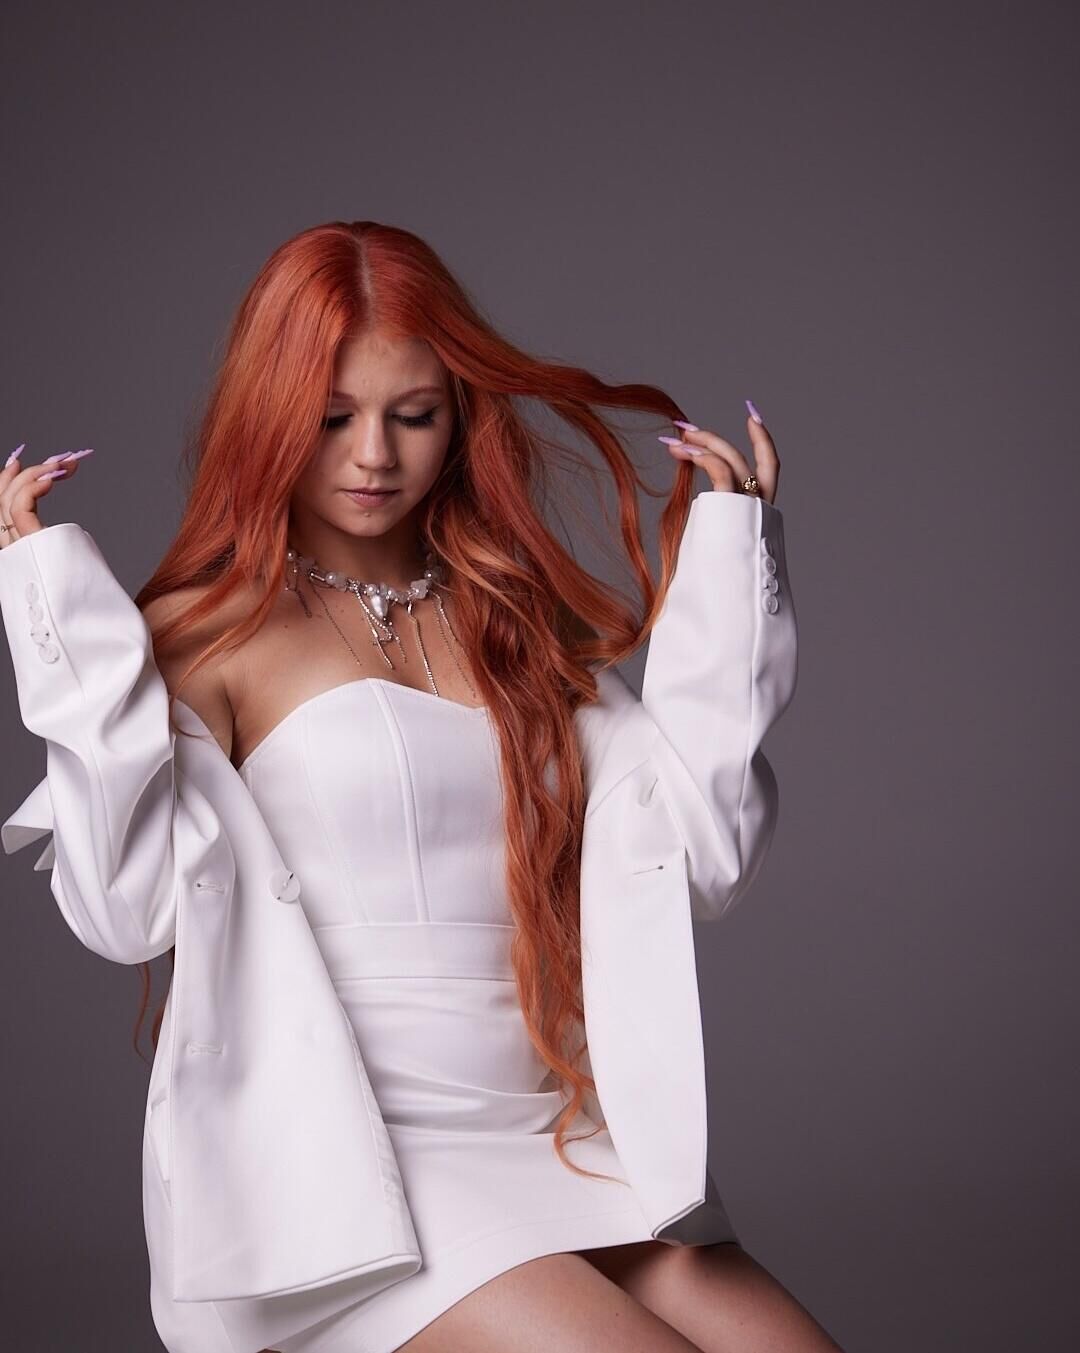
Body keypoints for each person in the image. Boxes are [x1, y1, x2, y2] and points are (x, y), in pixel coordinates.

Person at [0, 220, 842, 1353]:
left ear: (460, 415)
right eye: (331, 417)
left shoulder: (514, 622)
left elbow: (702, 853)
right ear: (268, 416)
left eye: (413, 414)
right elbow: (124, 911)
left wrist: (734, 571)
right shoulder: (209, 633)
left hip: (557, 1132)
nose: (373, 457)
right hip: (347, 1168)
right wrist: (54, 613)